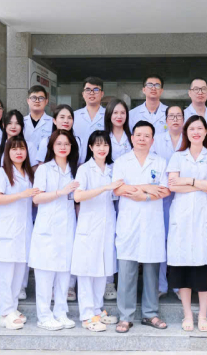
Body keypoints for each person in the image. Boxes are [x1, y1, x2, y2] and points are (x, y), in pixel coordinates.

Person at [166, 116, 207, 332]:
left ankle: (203, 315)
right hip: (181, 216)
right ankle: (187, 314)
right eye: (192, 128)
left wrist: (188, 180)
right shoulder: (177, 156)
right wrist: (201, 185)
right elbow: (173, 186)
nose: (196, 132)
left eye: (200, 128)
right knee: (182, 265)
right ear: (186, 132)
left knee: (205, 266)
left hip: (204, 216)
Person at [112, 121, 171, 333]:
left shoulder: (160, 162)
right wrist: (147, 187)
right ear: (132, 138)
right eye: (138, 135)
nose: (142, 139)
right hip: (129, 222)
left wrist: (142, 196)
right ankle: (125, 316)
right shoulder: (122, 162)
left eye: (147, 136)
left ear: (152, 140)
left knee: (151, 271)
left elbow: (165, 190)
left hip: (152, 221)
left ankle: (150, 313)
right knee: (126, 270)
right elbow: (118, 189)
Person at [71, 131, 123, 331]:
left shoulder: (112, 169)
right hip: (89, 226)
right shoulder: (84, 169)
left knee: (103, 269)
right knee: (86, 271)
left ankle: (96, 309)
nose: (102, 148)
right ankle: (87, 315)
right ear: (90, 147)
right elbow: (78, 196)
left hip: (107, 225)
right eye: (98, 145)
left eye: (105, 145)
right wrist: (104, 187)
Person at [30, 130, 80, 331]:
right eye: (59, 143)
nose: (63, 147)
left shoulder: (74, 169)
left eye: (66, 144)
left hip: (68, 226)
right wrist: (60, 192)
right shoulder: (44, 169)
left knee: (64, 272)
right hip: (47, 227)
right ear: (52, 146)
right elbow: (36, 198)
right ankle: (44, 315)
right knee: (45, 273)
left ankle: (61, 312)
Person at [0, 136, 40, 330]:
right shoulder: (1, 173)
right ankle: (4, 313)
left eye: (22, 149)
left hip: (23, 231)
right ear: (7, 152)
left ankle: (13, 308)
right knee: (6, 274)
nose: (19, 152)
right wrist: (21, 194)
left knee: (19, 273)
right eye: (14, 149)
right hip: (6, 231)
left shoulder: (28, 174)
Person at [149, 106, 185, 300]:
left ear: (184, 119)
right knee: (161, 241)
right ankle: (161, 285)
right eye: (172, 116)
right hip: (161, 197)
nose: (175, 119)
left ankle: (180, 286)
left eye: (179, 116)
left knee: (180, 241)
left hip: (184, 196)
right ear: (166, 120)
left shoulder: (189, 139)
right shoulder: (157, 140)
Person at [0, 110, 40, 175]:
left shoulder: (29, 146)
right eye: (10, 123)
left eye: (17, 123)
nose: (13, 126)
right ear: (3, 125)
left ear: (22, 126)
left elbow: (35, 172)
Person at [74, 78, 106, 160]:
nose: (92, 93)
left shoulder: (109, 115)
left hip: (102, 162)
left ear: (102, 94)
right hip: (78, 162)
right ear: (83, 94)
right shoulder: (74, 116)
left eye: (96, 90)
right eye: (88, 90)